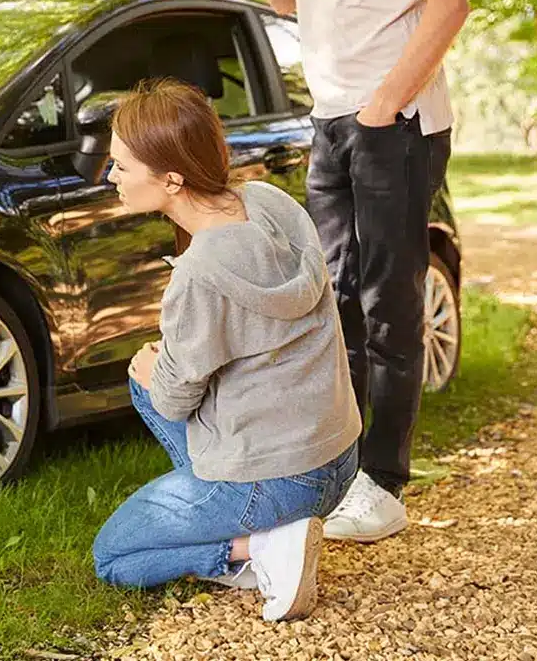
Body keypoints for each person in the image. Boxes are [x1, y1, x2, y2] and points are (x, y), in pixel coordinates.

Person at [230, 0, 469, 542]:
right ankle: (345, 467)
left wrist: (380, 105)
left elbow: (448, 3)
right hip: (331, 119)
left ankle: (386, 484)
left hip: (393, 122)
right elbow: (286, 0)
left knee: (388, 300)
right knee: (335, 298)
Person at [90, 78, 360, 623]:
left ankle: (260, 548)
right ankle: (254, 526)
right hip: (339, 456)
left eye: (120, 165)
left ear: (170, 177)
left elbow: (171, 401)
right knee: (150, 377)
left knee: (113, 555)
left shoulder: (197, 276)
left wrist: (155, 368)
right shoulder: (271, 203)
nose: (110, 175)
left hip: (281, 482)